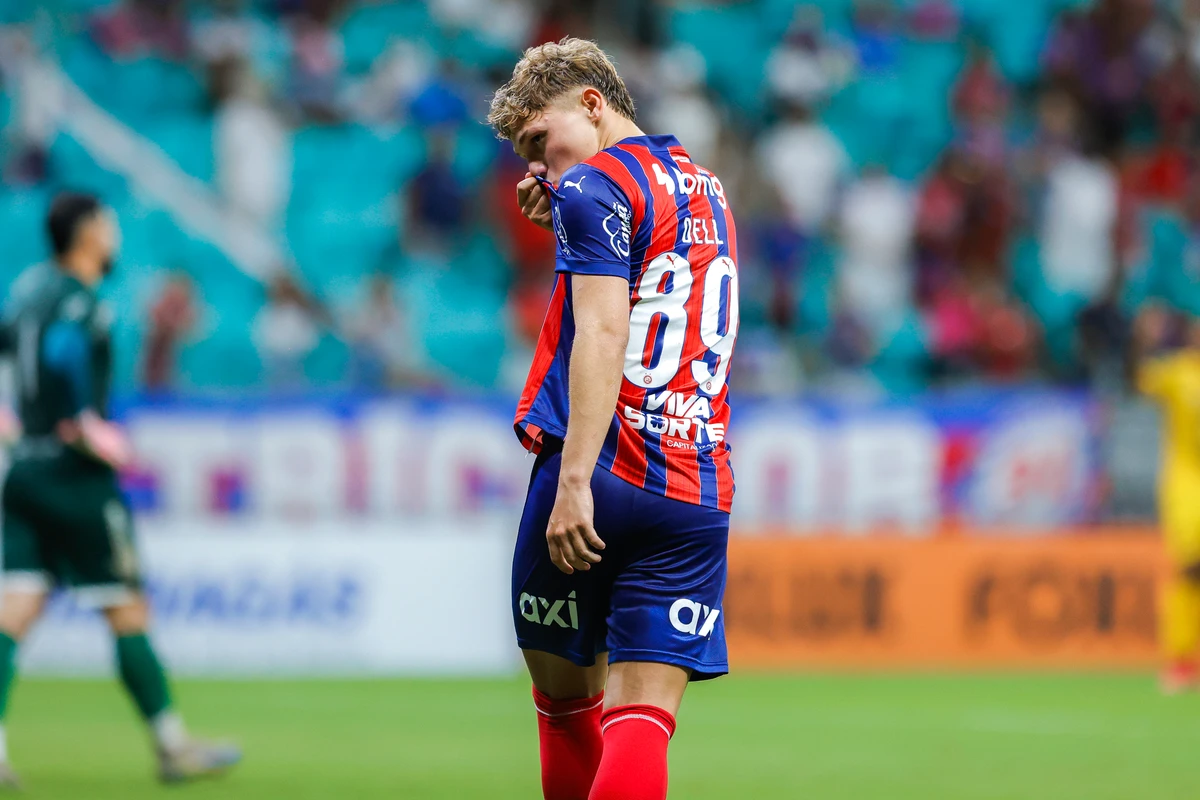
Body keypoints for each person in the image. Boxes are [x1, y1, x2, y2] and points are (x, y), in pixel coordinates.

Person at [488, 38, 740, 800]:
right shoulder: (706, 186)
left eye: (540, 139)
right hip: (693, 486)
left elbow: (604, 329)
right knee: (642, 720)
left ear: (592, 104)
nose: (534, 164)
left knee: (568, 708)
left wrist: (573, 483)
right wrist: (562, 222)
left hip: (601, 471)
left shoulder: (591, 189)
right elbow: (653, 289)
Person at [0, 193, 241, 787]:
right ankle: (171, 747)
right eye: (107, 226)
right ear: (86, 234)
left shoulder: (27, 291)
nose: (114, 235)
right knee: (126, 607)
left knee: (15, 612)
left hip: (23, 469)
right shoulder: (84, 303)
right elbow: (62, 354)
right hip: (74, 475)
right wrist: (87, 426)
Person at [1134, 304, 1200, 693]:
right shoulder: (1179, 373)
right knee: (1192, 568)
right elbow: (1140, 379)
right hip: (1188, 483)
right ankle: (1180, 660)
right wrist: (1146, 338)